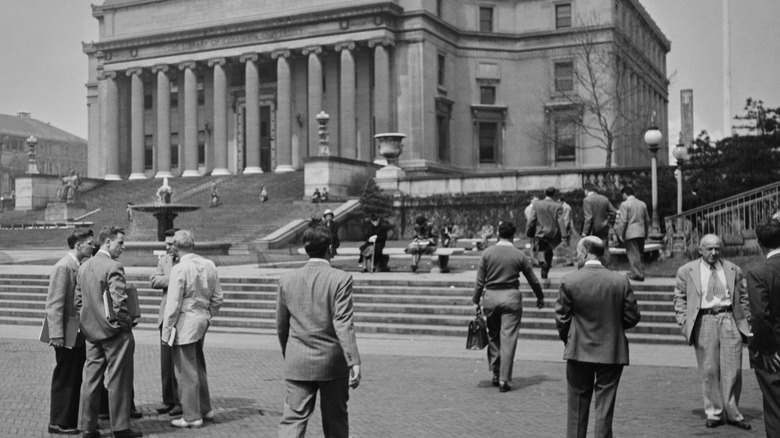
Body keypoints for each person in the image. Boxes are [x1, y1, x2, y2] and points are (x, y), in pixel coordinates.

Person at [276, 224, 362, 437]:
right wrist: (353, 360)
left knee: (293, 419)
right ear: (330, 248)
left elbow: (281, 324)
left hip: (298, 358)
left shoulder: (286, 279)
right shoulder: (340, 278)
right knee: (335, 420)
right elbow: (342, 322)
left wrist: (289, 352)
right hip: (331, 360)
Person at [555, 236, 640, 438]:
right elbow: (632, 316)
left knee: (576, 404)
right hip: (611, 350)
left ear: (584, 252)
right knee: (605, 406)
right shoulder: (619, 281)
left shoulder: (570, 280)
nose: (576, 255)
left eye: (578, 252)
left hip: (579, 350)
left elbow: (562, 318)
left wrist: (569, 337)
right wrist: (614, 327)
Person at [672, 234, 751, 430]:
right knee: (709, 369)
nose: (714, 252)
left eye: (717, 248)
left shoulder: (733, 269)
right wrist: (683, 322)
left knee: (734, 368)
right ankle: (714, 412)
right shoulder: (687, 270)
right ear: (700, 249)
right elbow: (679, 298)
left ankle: (733, 412)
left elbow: (743, 298)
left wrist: (746, 320)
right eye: (709, 249)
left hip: (729, 319)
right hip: (704, 320)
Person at [75, 226, 142, 438]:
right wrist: (124, 325)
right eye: (120, 242)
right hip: (115, 335)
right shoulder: (114, 266)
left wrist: (88, 322)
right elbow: (120, 303)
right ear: (107, 242)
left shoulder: (84, 266)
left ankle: (87, 427)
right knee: (119, 380)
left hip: (91, 333)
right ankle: (120, 428)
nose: (123, 246)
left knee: (91, 380)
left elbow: (78, 302)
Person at [161, 230, 224, 428]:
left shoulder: (180, 268)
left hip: (185, 320)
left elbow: (173, 303)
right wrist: (207, 314)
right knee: (198, 366)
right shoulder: (209, 264)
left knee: (185, 369)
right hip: (201, 317)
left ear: (177, 247)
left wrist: (167, 329)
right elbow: (218, 297)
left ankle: (191, 415)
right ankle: (205, 408)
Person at [473, 221, 544, 392]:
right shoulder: (519, 255)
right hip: (511, 298)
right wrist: (540, 297)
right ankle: (505, 379)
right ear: (513, 235)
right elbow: (533, 279)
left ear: (498, 234)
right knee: (508, 339)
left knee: (494, 335)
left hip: (491, 298)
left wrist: (476, 300)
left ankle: (496, 372)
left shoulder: (487, 253)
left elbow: (480, 281)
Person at [43, 229, 94, 435]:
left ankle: (69, 420)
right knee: (65, 376)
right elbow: (54, 303)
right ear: (78, 245)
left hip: (77, 333)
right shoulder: (63, 267)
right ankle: (58, 422)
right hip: (65, 332)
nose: (92, 246)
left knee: (74, 376)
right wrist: (56, 334)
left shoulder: (77, 266)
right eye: (89, 243)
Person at [747, 220, 780, 436]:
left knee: (775, 409)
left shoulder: (759, 273)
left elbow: (760, 316)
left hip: (774, 351)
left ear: (760, 244)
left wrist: (766, 349)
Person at [148, 228, 182, 417]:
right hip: (165, 318)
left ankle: (180, 400)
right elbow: (153, 280)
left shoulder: (186, 261)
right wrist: (175, 279)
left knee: (180, 362)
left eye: (171, 243)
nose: (168, 247)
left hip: (180, 318)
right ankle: (168, 400)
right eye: (166, 243)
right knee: (166, 362)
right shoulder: (164, 261)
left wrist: (168, 280)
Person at [527, 187, 567, 279]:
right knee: (549, 251)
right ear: (554, 194)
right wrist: (564, 235)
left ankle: (542, 262)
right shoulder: (558, 206)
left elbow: (532, 219)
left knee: (540, 248)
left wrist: (529, 227)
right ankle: (546, 266)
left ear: (545, 193)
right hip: (553, 232)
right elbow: (561, 221)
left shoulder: (537, 204)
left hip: (540, 231)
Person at [615, 186, 650, 281]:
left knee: (633, 254)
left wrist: (620, 233)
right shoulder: (642, 204)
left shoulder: (625, 204)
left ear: (625, 194)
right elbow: (647, 220)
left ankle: (637, 274)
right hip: (641, 232)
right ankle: (640, 271)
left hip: (630, 232)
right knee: (640, 253)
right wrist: (646, 232)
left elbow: (623, 220)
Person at [581, 183, 617, 268]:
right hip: (604, 227)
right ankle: (607, 268)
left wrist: (584, 232)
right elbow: (614, 212)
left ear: (586, 190)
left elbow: (589, 218)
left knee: (591, 249)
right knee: (605, 249)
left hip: (592, 229)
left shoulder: (587, 200)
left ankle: (593, 268)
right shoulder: (604, 198)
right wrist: (610, 222)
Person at [559, 195, 574, 267]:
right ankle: (568, 260)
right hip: (564, 228)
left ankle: (569, 260)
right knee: (565, 244)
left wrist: (563, 230)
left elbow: (566, 220)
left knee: (566, 244)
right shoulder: (563, 207)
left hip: (566, 228)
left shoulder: (566, 207)